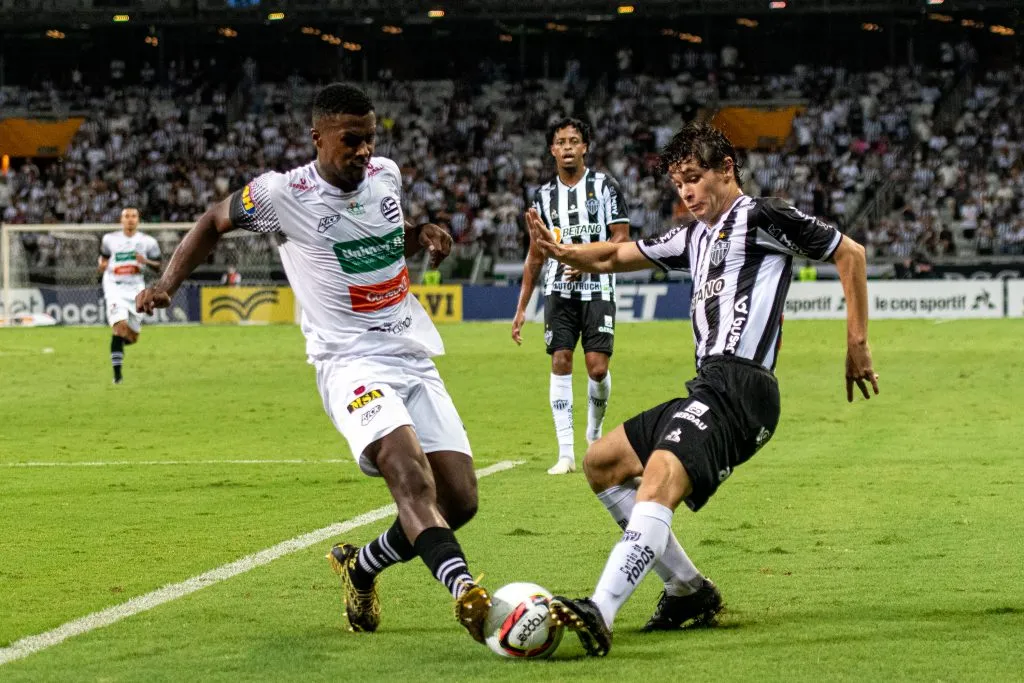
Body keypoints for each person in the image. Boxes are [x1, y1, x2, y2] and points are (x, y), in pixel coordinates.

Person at [136, 83, 491, 643]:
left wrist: (418, 236)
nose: (363, 151)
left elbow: (379, 239)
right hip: (349, 361)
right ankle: (465, 591)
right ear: (318, 138)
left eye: (370, 139)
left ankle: (363, 567)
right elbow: (211, 221)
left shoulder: (387, 176)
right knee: (407, 472)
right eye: (351, 140)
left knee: (461, 500)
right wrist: (165, 283)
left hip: (410, 352)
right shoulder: (281, 194)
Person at [525, 122, 879, 656]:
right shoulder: (693, 235)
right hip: (708, 385)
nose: (686, 192)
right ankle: (688, 590)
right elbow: (618, 256)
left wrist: (856, 343)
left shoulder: (762, 216)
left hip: (743, 387)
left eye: (694, 178)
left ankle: (601, 610)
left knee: (661, 474)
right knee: (602, 463)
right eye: (678, 183)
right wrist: (560, 252)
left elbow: (849, 253)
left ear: (726, 170)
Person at [512, 118, 630, 475]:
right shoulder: (543, 197)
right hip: (559, 290)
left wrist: (590, 261)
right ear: (552, 149)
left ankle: (593, 435)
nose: (567, 147)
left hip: (598, 288)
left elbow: (621, 237)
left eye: (574, 141)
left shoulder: (605, 186)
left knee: (597, 368)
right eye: (561, 141)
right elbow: (536, 254)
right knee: (561, 360)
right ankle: (565, 453)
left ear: (585, 148)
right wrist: (521, 308)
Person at [98, 207, 161, 384]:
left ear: (138, 220)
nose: (130, 219)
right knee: (119, 326)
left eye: (133, 216)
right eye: (127, 216)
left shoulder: (148, 242)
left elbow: (159, 266)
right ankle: (117, 377)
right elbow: (103, 260)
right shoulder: (109, 239)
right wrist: (101, 267)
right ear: (121, 220)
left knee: (132, 337)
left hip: (136, 289)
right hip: (114, 286)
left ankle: (115, 347)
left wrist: (146, 261)